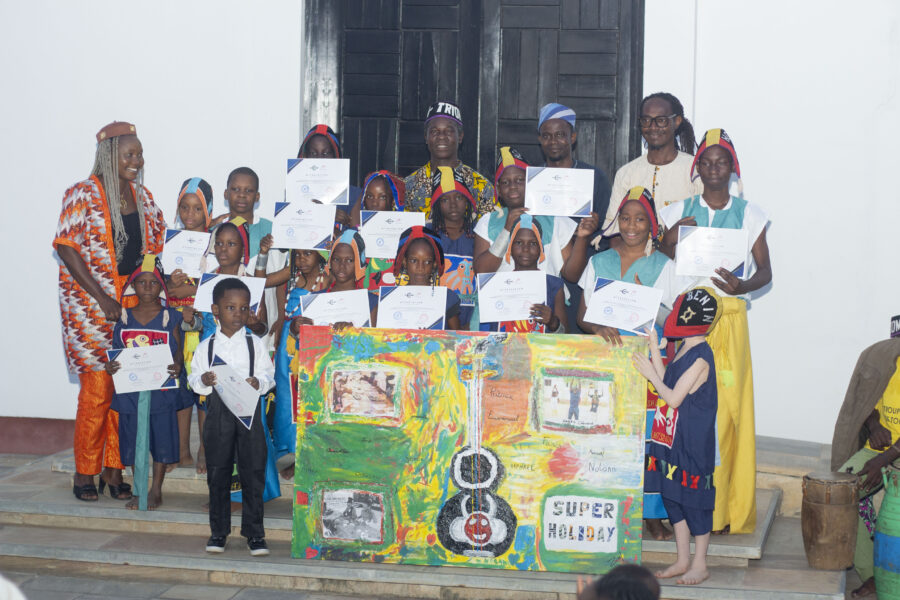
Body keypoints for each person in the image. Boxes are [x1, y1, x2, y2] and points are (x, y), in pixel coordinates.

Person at [658, 129, 771, 535]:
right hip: (689, 321)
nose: (713, 169)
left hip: (730, 319)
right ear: (697, 168)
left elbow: (765, 271)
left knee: (727, 413)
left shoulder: (750, 213)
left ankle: (723, 510)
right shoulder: (678, 210)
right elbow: (663, 255)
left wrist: (742, 286)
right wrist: (672, 235)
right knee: (689, 414)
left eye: (721, 162)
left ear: (732, 168)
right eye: (706, 162)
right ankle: (689, 507)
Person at [54, 121, 166, 502]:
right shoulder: (82, 194)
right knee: (98, 390)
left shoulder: (143, 197)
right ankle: (85, 472)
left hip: (134, 304)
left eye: (140, 154)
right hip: (90, 307)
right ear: (109, 154)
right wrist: (103, 298)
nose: (137, 160)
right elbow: (67, 246)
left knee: (125, 389)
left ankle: (113, 470)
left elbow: (158, 244)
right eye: (129, 154)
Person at [575, 187, 688, 540]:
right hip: (607, 363)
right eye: (625, 218)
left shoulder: (664, 266)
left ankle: (651, 513)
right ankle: (608, 504)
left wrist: (652, 305)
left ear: (651, 224)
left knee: (649, 441)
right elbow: (581, 315)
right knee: (609, 436)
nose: (631, 226)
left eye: (640, 219)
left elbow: (676, 321)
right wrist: (597, 327)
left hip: (649, 365)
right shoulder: (599, 262)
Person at [634, 287, 721, 586]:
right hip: (670, 436)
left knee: (695, 502)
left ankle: (700, 563)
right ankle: (683, 559)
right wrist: (654, 348)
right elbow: (668, 380)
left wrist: (650, 374)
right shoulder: (684, 346)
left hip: (691, 442)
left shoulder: (701, 357)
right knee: (673, 497)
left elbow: (672, 398)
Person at [189, 278, 275, 556]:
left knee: (253, 472)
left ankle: (255, 534)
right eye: (230, 307)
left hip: (249, 412)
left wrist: (258, 383)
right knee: (218, 472)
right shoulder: (206, 346)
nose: (238, 314)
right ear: (215, 310)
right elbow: (194, 379)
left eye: (244, 308)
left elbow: (268, 376)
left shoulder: (255, 344)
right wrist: (203, 380)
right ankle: (218, 532)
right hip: (218, 413)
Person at [106, 255, 183, 510]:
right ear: (133, 285)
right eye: (142, 282)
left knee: (161, 439)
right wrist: (111, 366)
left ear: (161, 286)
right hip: (131, 392)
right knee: (131, 440)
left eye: (153, 282)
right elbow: (116, 352)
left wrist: (178, 365)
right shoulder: (124, 318)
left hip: (160, 391)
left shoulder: (170, 316)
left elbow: (178, 351)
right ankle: (138, 487)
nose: (148, 287)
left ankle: (156, 490)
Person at [831, 334, 900, 598]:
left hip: (888, 454)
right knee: (841, 492)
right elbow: (865, 403)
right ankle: (871, 573)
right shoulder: (881, 358)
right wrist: (874, 425)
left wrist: (885, 459)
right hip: (879, 449)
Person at [473, 146, 592, 279]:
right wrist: (506, 229)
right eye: (505, 182)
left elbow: (572, 276)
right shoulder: (488, 222)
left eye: (520, 180)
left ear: (531, 183)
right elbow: (481, 272)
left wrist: (583, 238)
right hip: (503, 292)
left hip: (546, 292)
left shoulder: (554, 219)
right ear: (498, 190)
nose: (513, 186)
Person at [601, 92, 699, 248]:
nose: (653, 127)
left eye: (661, 120)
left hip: (682, 259)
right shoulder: (627, 173)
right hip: (636, 261)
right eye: (646, 120)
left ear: (677, 121)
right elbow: (614, 234)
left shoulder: (696, 170)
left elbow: (705, 226)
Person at [166, 177, 215, 471]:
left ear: (208, 210)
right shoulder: (171, 243)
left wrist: (185, 289)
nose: (190, 214)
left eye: (197, 208)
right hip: (176, 324)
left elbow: (213, 285)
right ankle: (181, 451)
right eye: (184, 207)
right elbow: (166, 288)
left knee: (203, 389)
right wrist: (173, 284)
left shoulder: (215, 243)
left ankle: (205, 451)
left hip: (203, 325)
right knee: (180, 388)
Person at [271, 249, 330, 478]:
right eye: (298, 255)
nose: (301, 259)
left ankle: (309, 454)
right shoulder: (291, 276)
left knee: (311, 398)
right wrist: (280, 319)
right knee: (287, 399)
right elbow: (268, 284)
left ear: (321, 256)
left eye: (308, 254)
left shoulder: (328, 280)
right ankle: (289, 451)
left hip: (313, 344)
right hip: (288, 346)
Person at [478, 215, 567, 334]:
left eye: (533, 243)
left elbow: (566, 335)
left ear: (541, 249)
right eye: (519, 243)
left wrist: (552, 322)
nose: (526, 249)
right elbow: (485, 332)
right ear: (510, 248)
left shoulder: (554, 285)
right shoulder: (494, 284)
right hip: (503, 345)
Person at [403, 101, 495, 216]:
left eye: (449, 131)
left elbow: (492, 226)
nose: (441, 136)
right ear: (426, 137)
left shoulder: (482, 187)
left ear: (460, 136)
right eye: (434, 131)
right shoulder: (407, 187)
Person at [537, 103, 612, 233]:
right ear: (540, 140)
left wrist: (592, 228)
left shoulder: (596, 178)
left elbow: (606, 227)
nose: (553, 141)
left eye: (560, 135)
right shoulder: (533, 179)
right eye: (546, 136)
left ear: (572, 137)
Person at [376, 226, 461, 330]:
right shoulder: (390, 298)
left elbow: (457, 336)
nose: (420, 268)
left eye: (427, 262)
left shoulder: (447, 298)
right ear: (404, 262)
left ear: (434, 264)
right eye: (414, 261)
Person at [429, 166, 477, 328]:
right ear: (437, 204)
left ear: (467, 200)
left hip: (472, 319)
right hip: (436, 319)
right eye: (445, 200)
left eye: (458, 197)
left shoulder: (479, 233)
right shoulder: (428, 234)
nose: (453, 205)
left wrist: (474, 322)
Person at [298, 124, 358, 232]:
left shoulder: (354, 195)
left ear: (335, 156)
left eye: (326, 153)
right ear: (305, 156)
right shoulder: (295, 191)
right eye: (313, 153)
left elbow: (358, 238)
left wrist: (347, 222)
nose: (320, 159)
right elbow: (286, 240)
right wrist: (326, 214)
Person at [354, 170, 406, 288]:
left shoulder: (405, 232)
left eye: (382, 197)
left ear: (392, 201)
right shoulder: (356, 234)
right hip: (364, 295)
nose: (374, 203)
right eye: (369, 196)